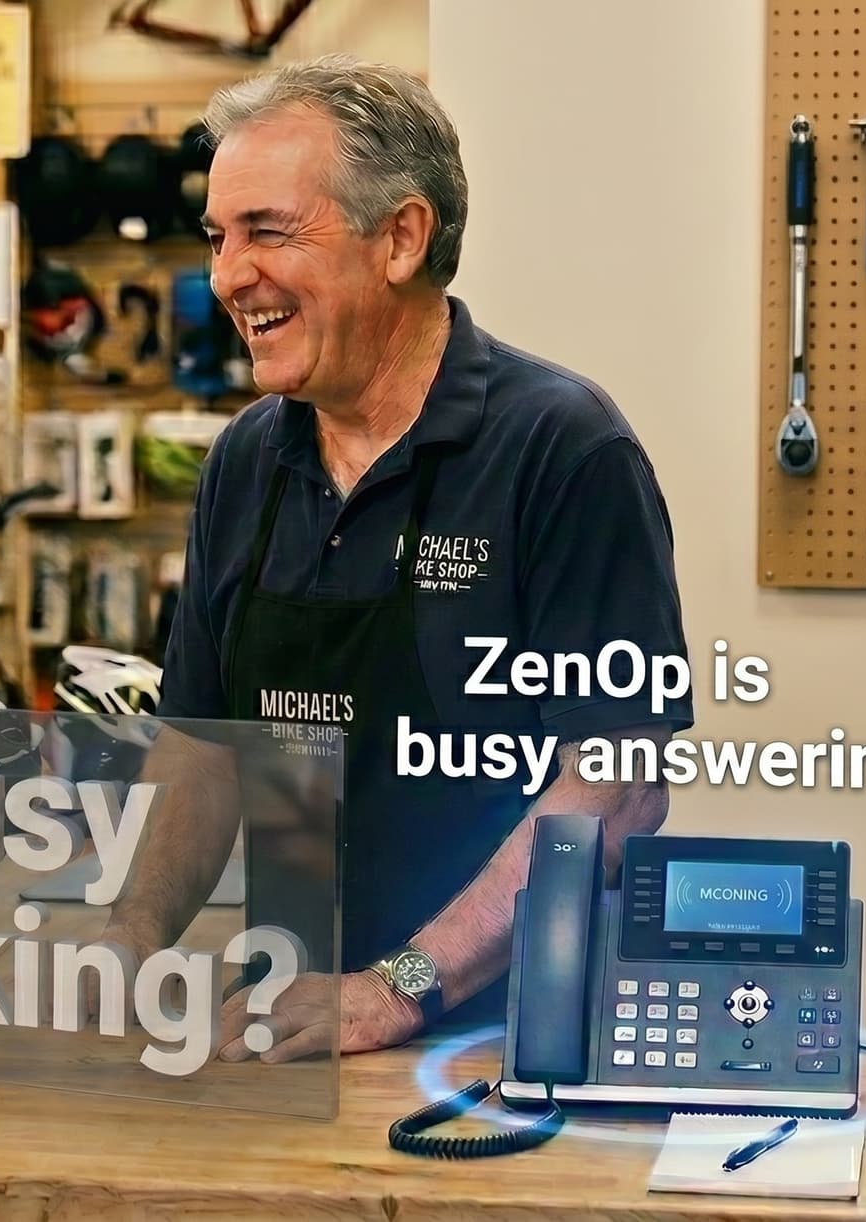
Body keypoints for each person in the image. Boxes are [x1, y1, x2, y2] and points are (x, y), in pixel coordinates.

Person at [94, 55, 691, 1059]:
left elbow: (620, 786)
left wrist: (398, 987)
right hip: (291, 1031)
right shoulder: (246, 461)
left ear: (402, 238)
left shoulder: (562, 449)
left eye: (268, 230)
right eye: (219, 236)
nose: (228, 275)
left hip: (507, 1048)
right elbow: (200, 749)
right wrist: (130, 938)